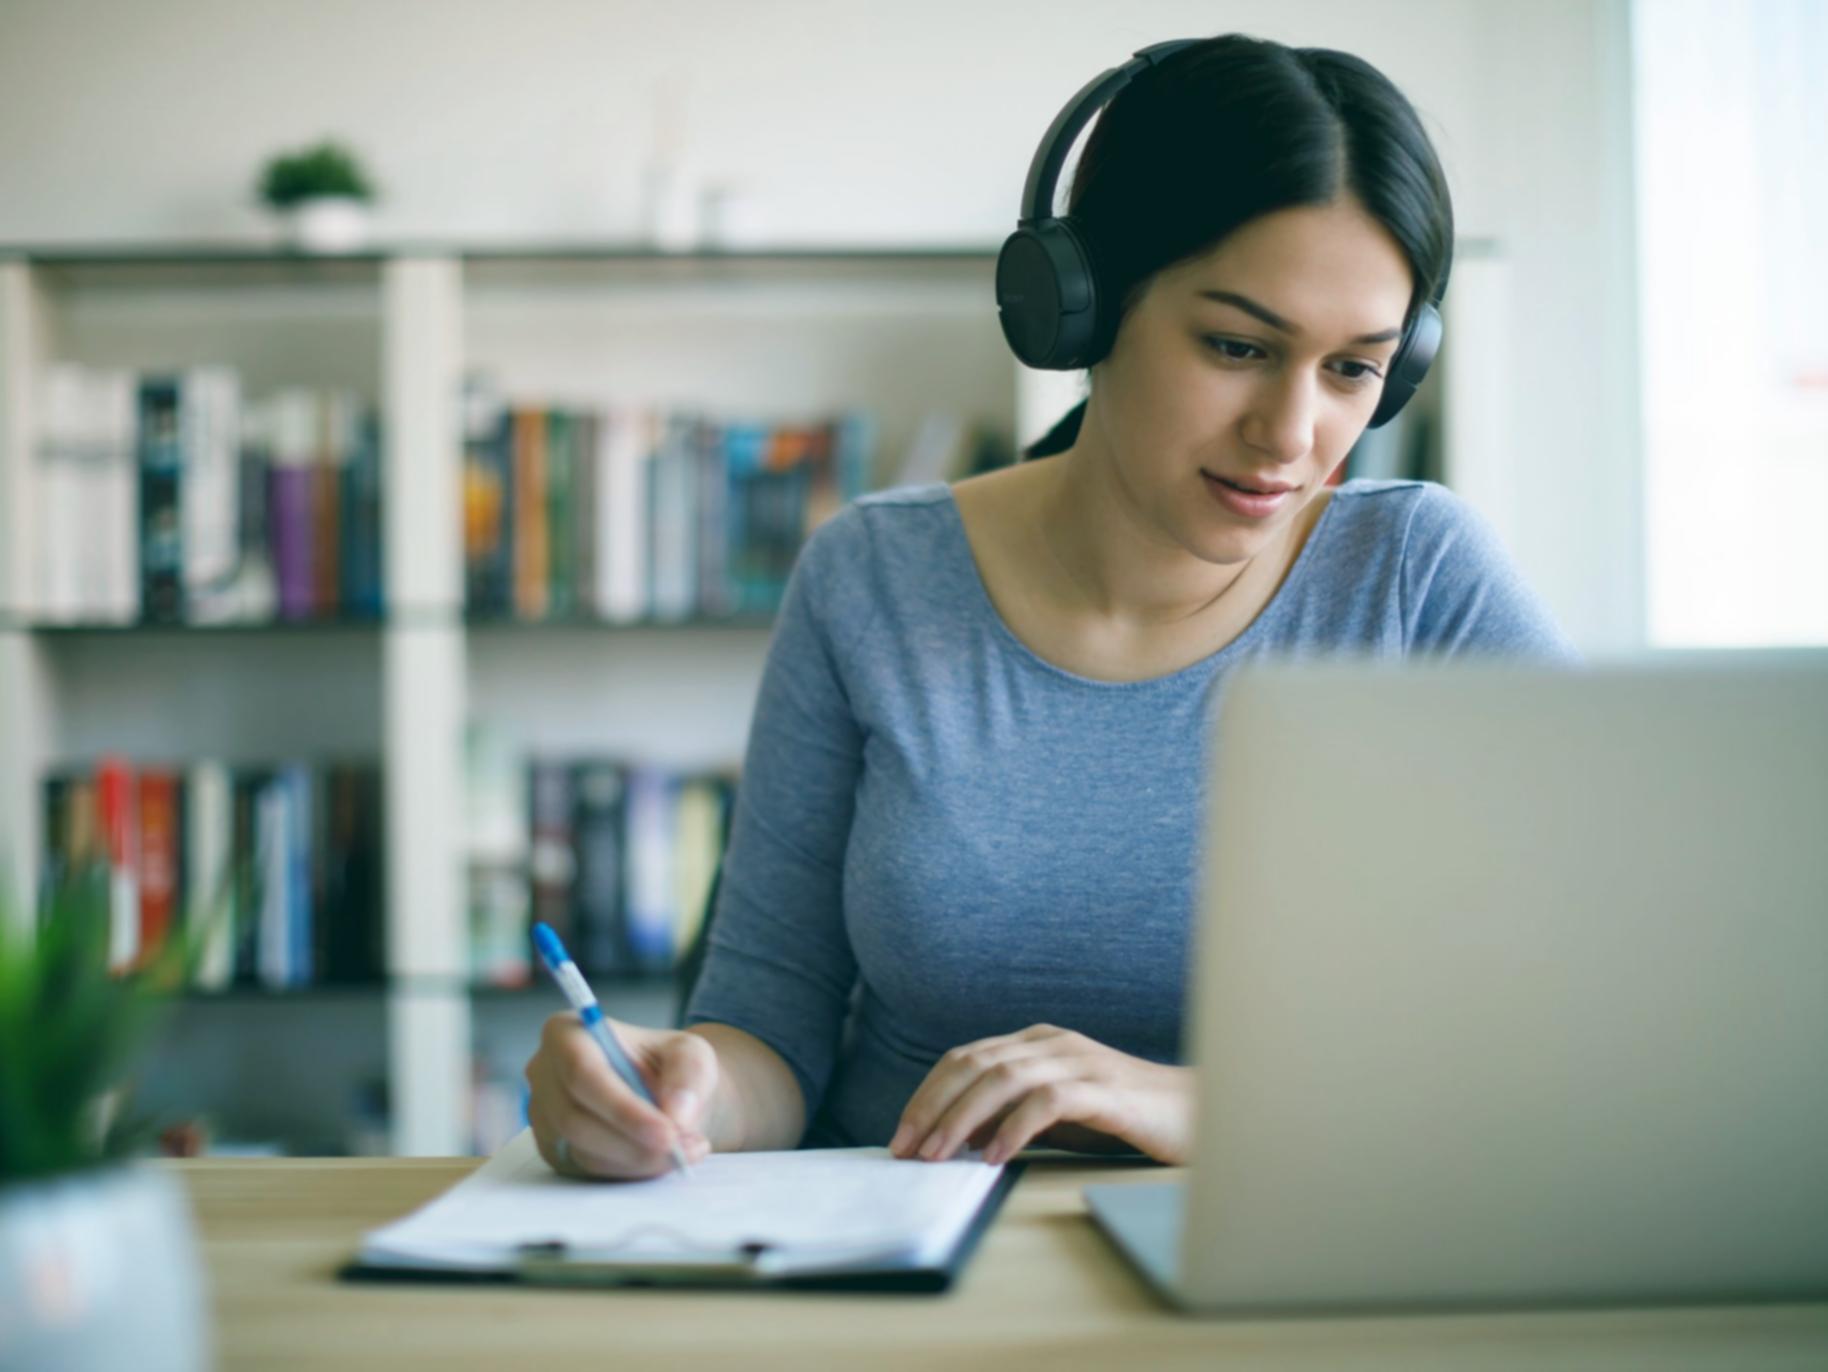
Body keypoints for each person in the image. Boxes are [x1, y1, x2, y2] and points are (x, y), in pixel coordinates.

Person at [524, 33, 1579, 1180]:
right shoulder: (869, 578)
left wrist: (1189, 1103)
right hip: (906, 1271)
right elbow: (766, 1030)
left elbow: (1600, 1009)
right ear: (1080, 306)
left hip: (1285, 1270)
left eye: (1351, 370)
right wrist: (675, 1088)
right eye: (1236, 345)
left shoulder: (1416, 581)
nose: (1291, 435)